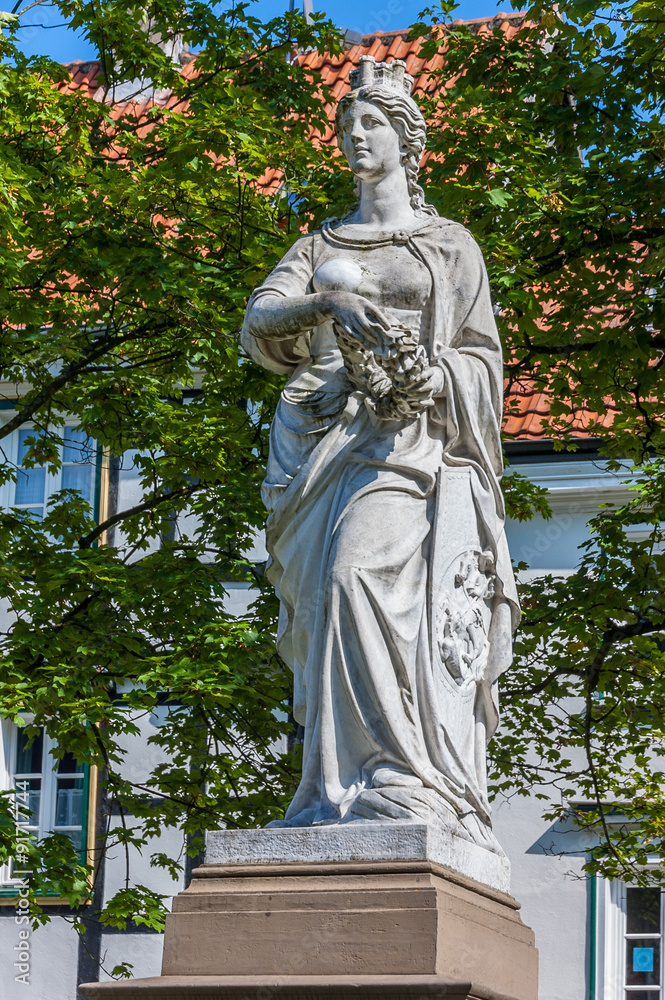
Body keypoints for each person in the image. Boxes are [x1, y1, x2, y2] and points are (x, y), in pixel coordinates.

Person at [240, 56, 519, 850]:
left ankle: (403, 771)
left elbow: (482, 358)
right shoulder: (319, 241)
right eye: (346, 126)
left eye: (371, 124)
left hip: (412, 441)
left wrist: (434, 375)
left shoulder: (447, 245)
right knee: (324, 605)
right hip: (321, 438)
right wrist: (324, 300)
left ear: (405, 138)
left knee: (355, 574)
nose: (354, 137)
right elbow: (258, 324)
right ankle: (335, 788)